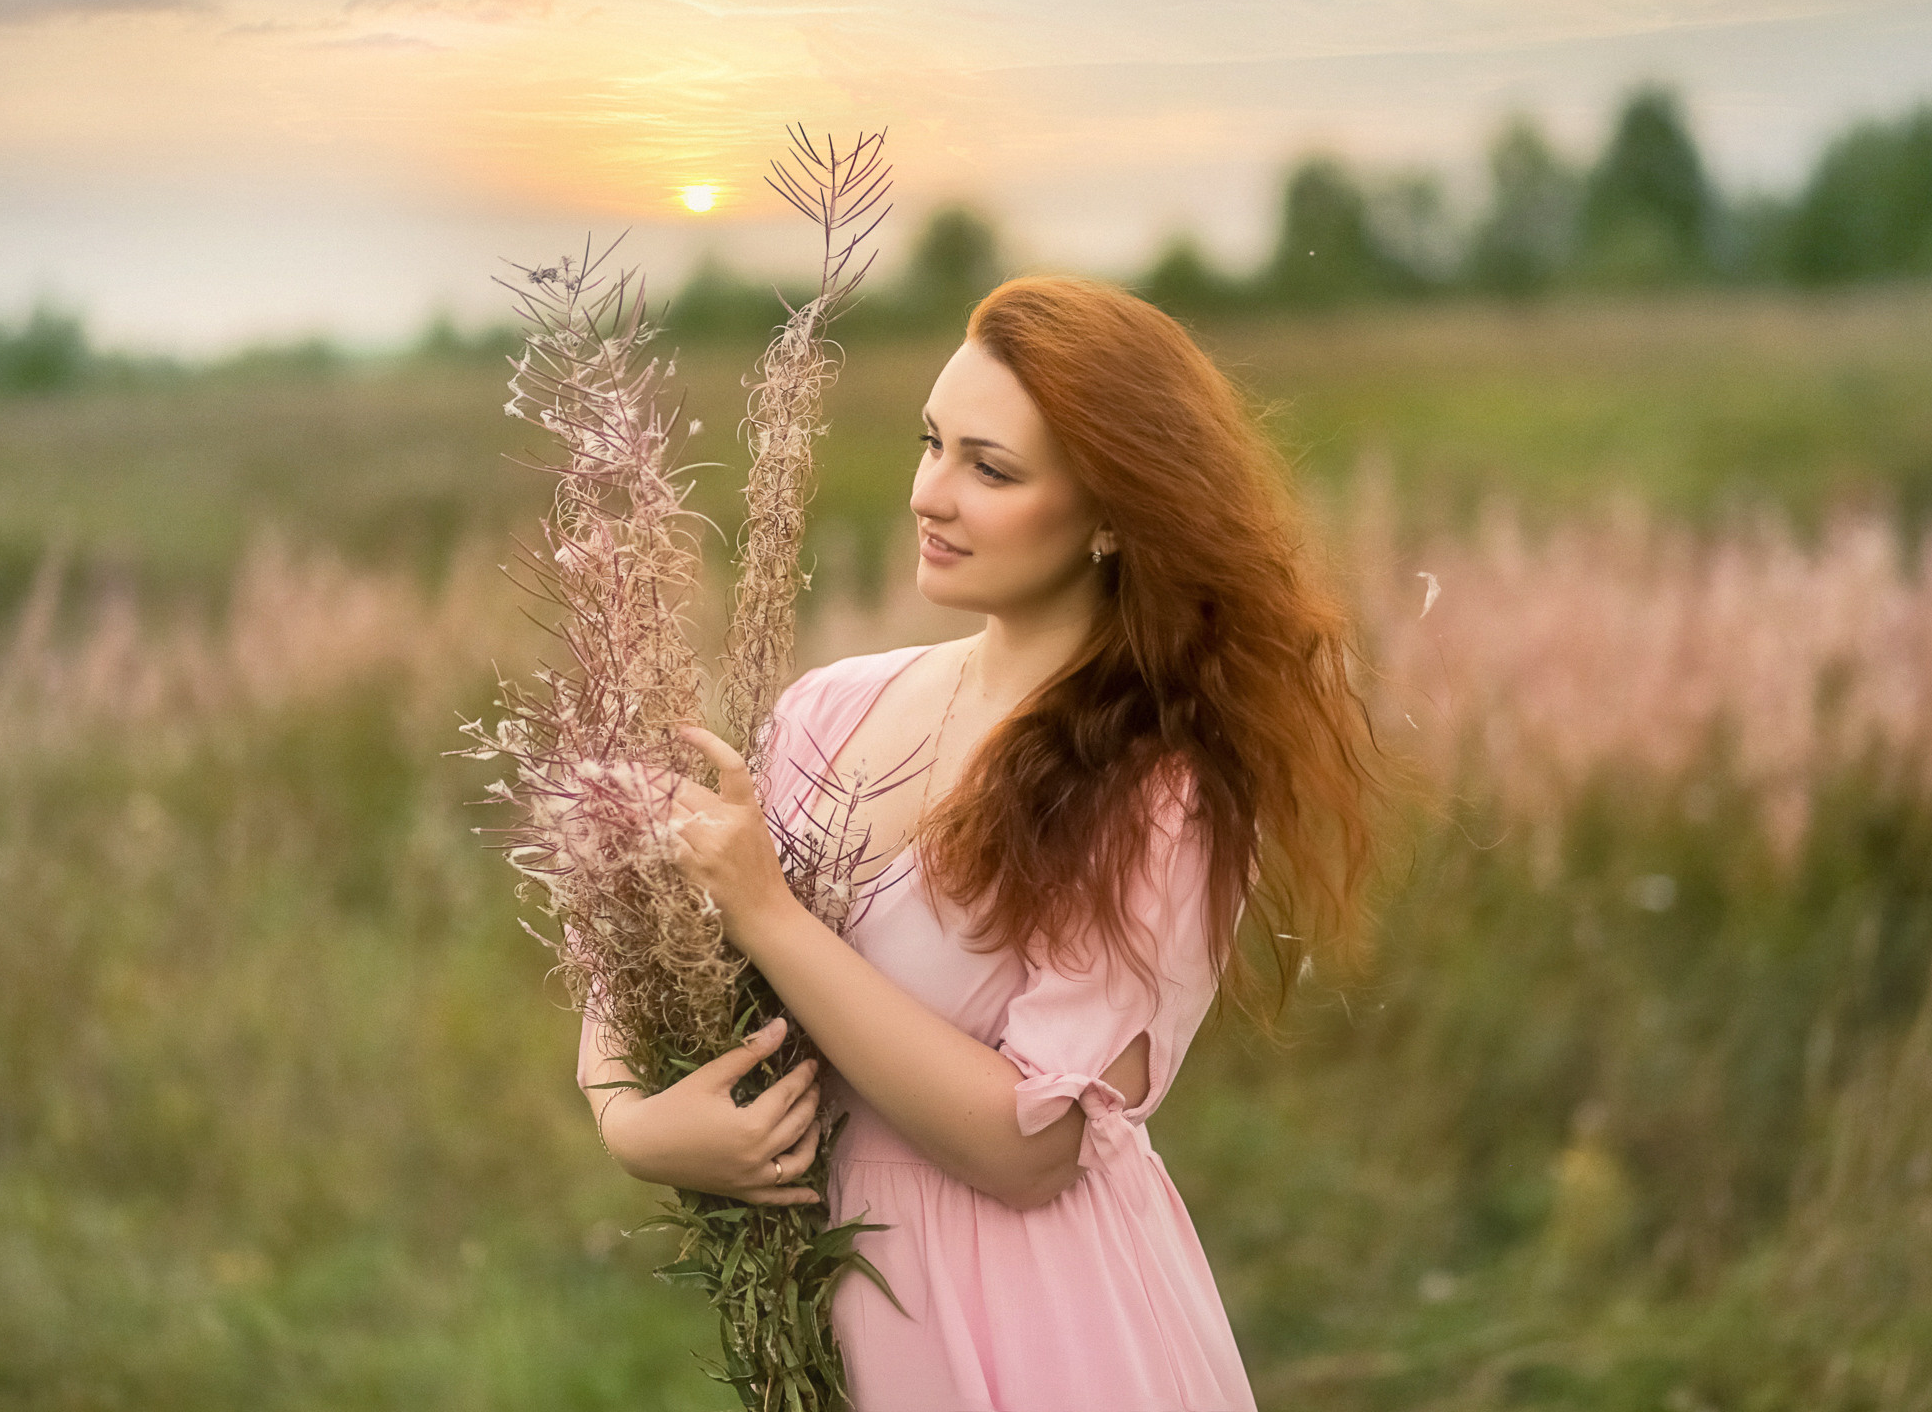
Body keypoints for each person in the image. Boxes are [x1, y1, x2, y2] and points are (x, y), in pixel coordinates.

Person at [580, 275, 1392, 1411]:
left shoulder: (1161, 792)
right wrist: (634, 1122)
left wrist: (767, 913)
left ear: (1113, 512)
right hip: (832, 1328)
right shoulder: (828, 708)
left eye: (990, 468)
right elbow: (644, 949)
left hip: (1037, 1333)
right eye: (931, 444)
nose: (931, 495)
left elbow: (1029, 1145)